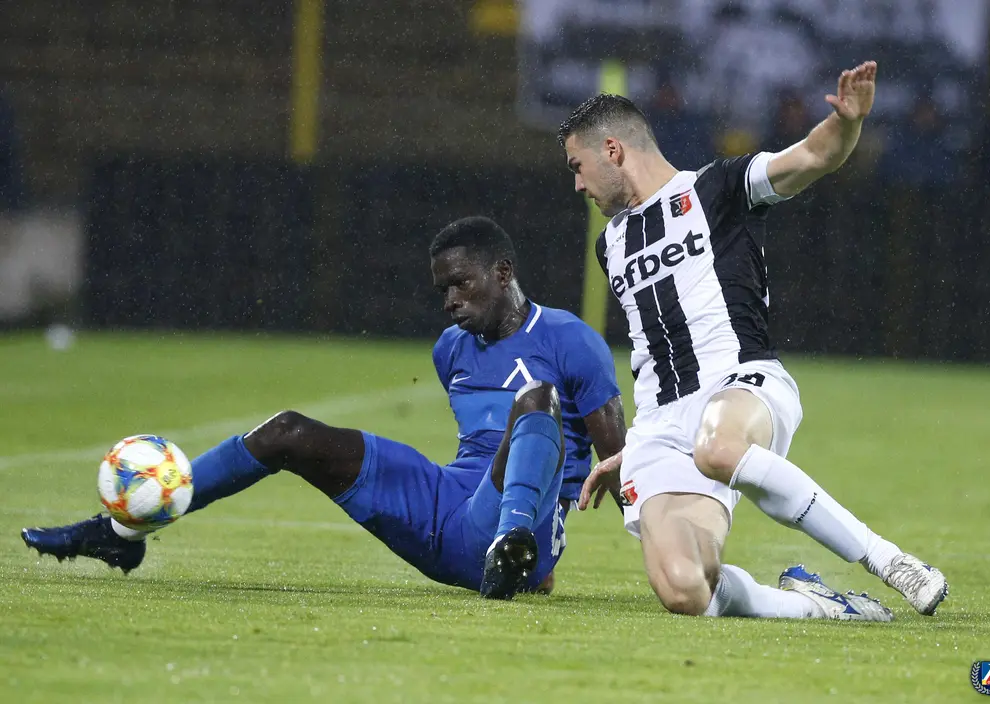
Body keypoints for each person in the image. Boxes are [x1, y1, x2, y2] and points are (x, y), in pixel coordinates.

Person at [21, 216, 627, 600]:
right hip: (451, 506)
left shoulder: (571, 341)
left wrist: (651, 543)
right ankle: (123, 531)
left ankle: (514, 548)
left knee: (536, 400)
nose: (449, 301)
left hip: (520, 525)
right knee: (288, 431)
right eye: (441, 289)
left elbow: (623, 462)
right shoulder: (451, 350)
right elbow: (481, 450)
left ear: (503, 272)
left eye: (461, 284)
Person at [560, 61, 947, 620]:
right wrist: (637, 445)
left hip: (742, 383)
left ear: (613, 150)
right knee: (685, 589)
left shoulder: (718, 188)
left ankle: (889, 561)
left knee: (718, 447)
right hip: (663, 428)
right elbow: (655, 350)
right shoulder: (612, 244)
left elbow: (812, 156)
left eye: (578, 167)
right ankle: (822, 607)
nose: (578, 184)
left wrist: (847, 124)